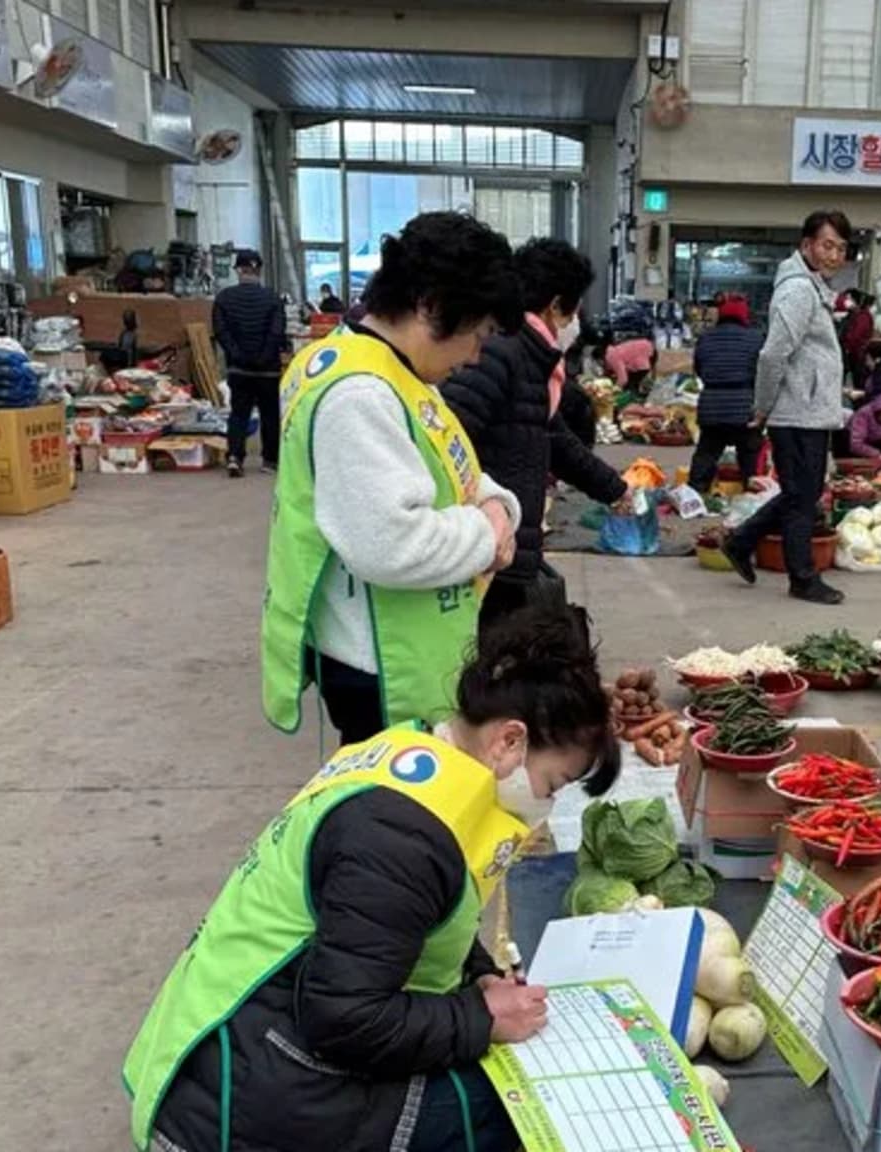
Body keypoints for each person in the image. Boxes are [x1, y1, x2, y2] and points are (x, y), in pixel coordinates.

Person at [127, 599, 620, 1152]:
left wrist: (478, 973)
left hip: (251, 1038)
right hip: (242, 1097)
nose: (546, 804)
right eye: (553, 784)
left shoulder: (413, 756)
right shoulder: (399, 836)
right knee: (529, 1114)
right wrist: (479, 1017)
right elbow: (342, 1021)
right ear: (510, 741)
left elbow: (423, 921)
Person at [261, 211, 524, 743]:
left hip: (404, 638)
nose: (476, 355)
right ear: (429, 305)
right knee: (395, 807)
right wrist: (487, 534)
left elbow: (456, 468)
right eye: (478, 333)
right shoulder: (359, 393)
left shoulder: (390, 369)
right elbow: (390, 543)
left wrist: (497, 507)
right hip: (379, 665)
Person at [441, 239, 628, 631]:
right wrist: (483, 514)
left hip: (510, 543)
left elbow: (556, 440)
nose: (576, 321)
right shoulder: (502, 351)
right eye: (575, 308)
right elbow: (449, 435)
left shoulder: (533, 360)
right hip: (489, 545)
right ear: (556, 306)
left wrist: (614, 489)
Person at [722, 209, 853, 606]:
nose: (834, 255)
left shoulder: (812, 287)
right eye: (827, 245)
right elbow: (773, 354)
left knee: (803, 493)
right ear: (806, 245)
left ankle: (742, 540)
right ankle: (802, 578)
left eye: (841, 248)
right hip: (796, 413)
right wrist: (761, 408)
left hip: (808, 410)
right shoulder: (797, 290)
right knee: (801, 497)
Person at [214, 249, 289, 478]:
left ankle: (235, 457)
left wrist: (237, 354)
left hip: (239, 368)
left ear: (238, 270)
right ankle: (270, 460)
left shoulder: (224, 298)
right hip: (268, 370)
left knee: (239, 413)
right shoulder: (272, 298)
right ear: (259, 270)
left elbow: (221, 331)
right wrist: (264, 356)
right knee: (269, 415)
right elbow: (277, 332)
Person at [689, 295, 766, 492]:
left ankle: (695, 492)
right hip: (744, 405)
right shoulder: (756, 337)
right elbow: (763, 371)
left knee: (706, 452)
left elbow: (699, 367)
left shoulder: (705, 337)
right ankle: (752, 493)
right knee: (749, 453)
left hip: (712, 404)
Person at [837, 289, 876, 390]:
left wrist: (846, 346)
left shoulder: (863, 316)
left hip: (858, 358)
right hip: (849, 357)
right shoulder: (851, 315)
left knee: (859, 386)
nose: (847, 302)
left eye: (850, 299)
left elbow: (856, 337)